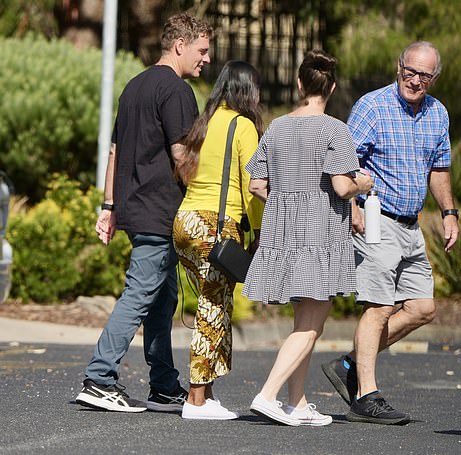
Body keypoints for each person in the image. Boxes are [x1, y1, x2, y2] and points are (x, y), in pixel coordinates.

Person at [75, 13, 212, 413]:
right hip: (160, 210)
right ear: (180, 45)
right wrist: (205, 196)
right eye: (201, 51)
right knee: (141, 292)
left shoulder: (134, 86)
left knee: (162, 296)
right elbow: (182, 156)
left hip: (137, 209)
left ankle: (164, 385)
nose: (205, 60)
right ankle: (100, 377)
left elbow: (115, 152)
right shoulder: (176, 90)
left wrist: (108, 206)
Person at [321, 41, 460, 425]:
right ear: (397, 65)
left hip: (412, 226)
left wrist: (449, 212)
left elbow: (440, 168)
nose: (413, 80)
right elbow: (342, 160)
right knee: (378, 307)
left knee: (422, 308)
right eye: (408, 70)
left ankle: (351, 364)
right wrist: (350, 206)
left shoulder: (437, 113)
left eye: (423, 75)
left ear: (434, 78)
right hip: (376, 218)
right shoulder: (373, 105)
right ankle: (366, 395)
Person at [242, 49, 373, 426]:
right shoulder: (336, 130)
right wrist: (361, 182)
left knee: (304, 321)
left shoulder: (277, 127)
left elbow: (256, 185)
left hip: (285, 233)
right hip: (320, 233)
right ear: (331, 87)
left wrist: (287, 201)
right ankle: (268, 395)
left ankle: (296, 403)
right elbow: (341, 185)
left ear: (300, 84)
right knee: (313, 323)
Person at [172, 60, 264, 420]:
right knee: (213, 309)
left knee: (216, 302)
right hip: (215, 225)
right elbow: (251, 186)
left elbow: (183, 166)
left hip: (185, 222)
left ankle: (207, 395)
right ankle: (195, 400)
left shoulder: (204, 122)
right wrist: (256, 232)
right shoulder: (243, 126)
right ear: (248, 91)